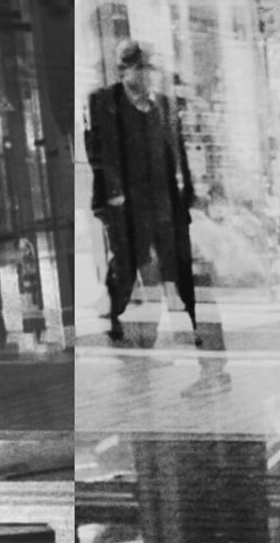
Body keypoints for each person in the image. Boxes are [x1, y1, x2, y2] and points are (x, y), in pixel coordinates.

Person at [86, 39, 201, 348]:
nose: (147, 74)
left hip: (162, 196)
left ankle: (192, 321)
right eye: (139, 68)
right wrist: (113, 193)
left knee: (177, 259)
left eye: (149, 68)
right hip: (125, 200)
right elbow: (99, 152)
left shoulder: (162, 105)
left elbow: (176, 150)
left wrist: (187, 190)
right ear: (124, 71)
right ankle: (115, 314)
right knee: (127, 262)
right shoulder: (104, 101)